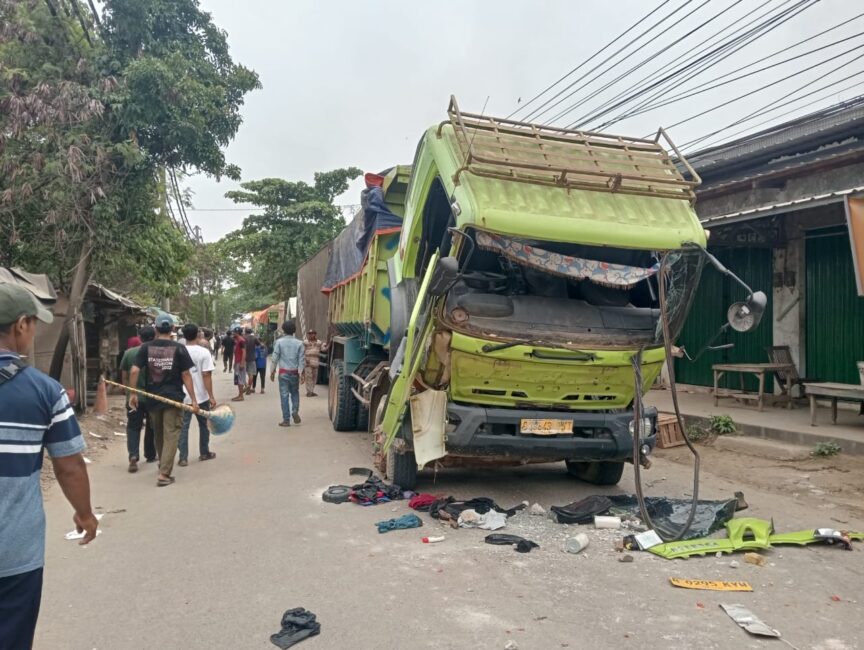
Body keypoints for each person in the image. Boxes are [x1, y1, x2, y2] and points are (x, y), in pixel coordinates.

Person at [0, 284, 98, 649]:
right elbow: (69, 465)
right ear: (21, 325)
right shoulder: (45, 391)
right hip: (12, 550)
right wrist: (85, 514)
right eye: (33, 324)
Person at [129, 314, 197, 487]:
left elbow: (134, 371)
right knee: (172, 433)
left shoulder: (145, 348)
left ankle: (163, 464)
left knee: (159, 433)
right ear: (173, 328)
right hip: (173, 397)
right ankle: (164, 474)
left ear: (156, 329)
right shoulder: (179, 348)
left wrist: (133, 394)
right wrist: (194, 400)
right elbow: (186, 374)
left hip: (153, 398)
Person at [178, 323, 217, 466]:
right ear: (197, 335)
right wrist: (211, 396)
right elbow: (206, 375)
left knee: (183, 427)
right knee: (204, 425)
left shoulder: (178, 351)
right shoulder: (203, 352)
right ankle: (204, 452)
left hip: (182, 396)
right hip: (201, 396)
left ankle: (183, 457)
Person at [120, 325, 157, 472]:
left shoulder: (129, 353)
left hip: (133, 397)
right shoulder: (157, 353)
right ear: (154, 336)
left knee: (133, 427)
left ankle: (133, 456)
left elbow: (124, 375)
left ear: (139, 337)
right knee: (151, 426)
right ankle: (150, 454)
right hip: (152, 396)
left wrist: (126, 390)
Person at [270, 321, 304, 427]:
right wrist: (301, 373)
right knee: (295, 393)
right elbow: (301, 360)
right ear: (294, 330)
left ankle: (286, 420)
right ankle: (295, 410)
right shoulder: (300, 343)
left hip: (283, 373)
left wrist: (272, 371)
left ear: (283, 330)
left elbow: (275, 358)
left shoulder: (279, 342)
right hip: (294, 373)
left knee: (284, 396)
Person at [302, 330, 323, 397]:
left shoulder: (319, 342)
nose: (311, 335)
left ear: (315, 334)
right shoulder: (305, 342)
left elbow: (323, 349)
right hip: (307, 362)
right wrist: (305, 359)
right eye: (310, 334)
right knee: (308, 377)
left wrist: (329, 344)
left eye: (312, 334)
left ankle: (312, 391)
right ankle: (309, 392)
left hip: (315, 363)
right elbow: (302, 352)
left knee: (314, 378)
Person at [231, 326, 247, 402]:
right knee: (238, 378)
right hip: (238, 362)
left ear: (237, 332)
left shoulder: (241, 341)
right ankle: (240, 394)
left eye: (234, 332)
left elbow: (244, 352)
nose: (233, 333)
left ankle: (241, 396)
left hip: (240, 362)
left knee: (240, 379)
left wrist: (242, 363)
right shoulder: (238, 340)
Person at [244, 327, 258, 396]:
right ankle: (249, 388)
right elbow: (260, 345)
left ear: (245, 332)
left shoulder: (243, 338)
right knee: (251, 374)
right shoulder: (254, 338)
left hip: (244, 359)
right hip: (252, 358)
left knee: (242, 374)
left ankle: (246, 386)